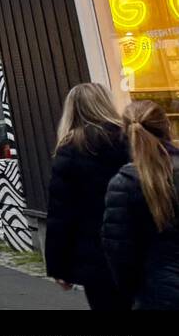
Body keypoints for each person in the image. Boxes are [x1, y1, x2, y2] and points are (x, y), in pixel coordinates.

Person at [44, 83, 130, 309]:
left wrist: (58, 266)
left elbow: (60, 214)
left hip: (95, 253)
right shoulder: (130, 140)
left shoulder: (71, 149)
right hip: (137, 244)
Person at [102, 101, 179, 309]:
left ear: (125, 134)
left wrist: (133, 291)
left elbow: (119, 251)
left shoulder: (124, 184)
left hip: (156, 292)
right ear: (167, 127)